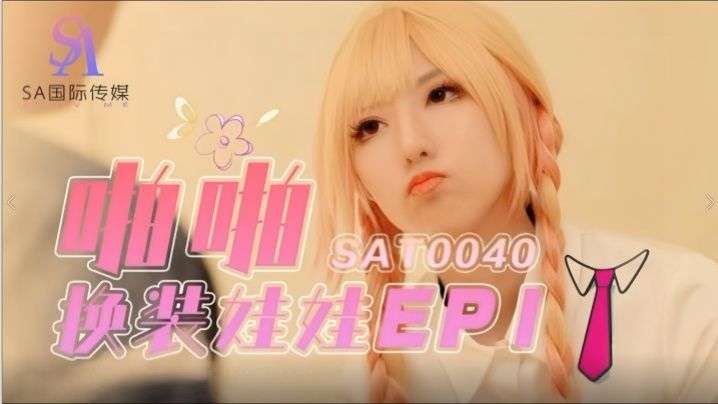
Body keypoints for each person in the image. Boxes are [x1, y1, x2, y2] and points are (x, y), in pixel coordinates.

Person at [313, 2, 718, 402]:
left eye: (440, 94)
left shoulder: (682, 311)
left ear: (525, 107)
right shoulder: (365, 374)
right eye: (370, 126)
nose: (410, 145)